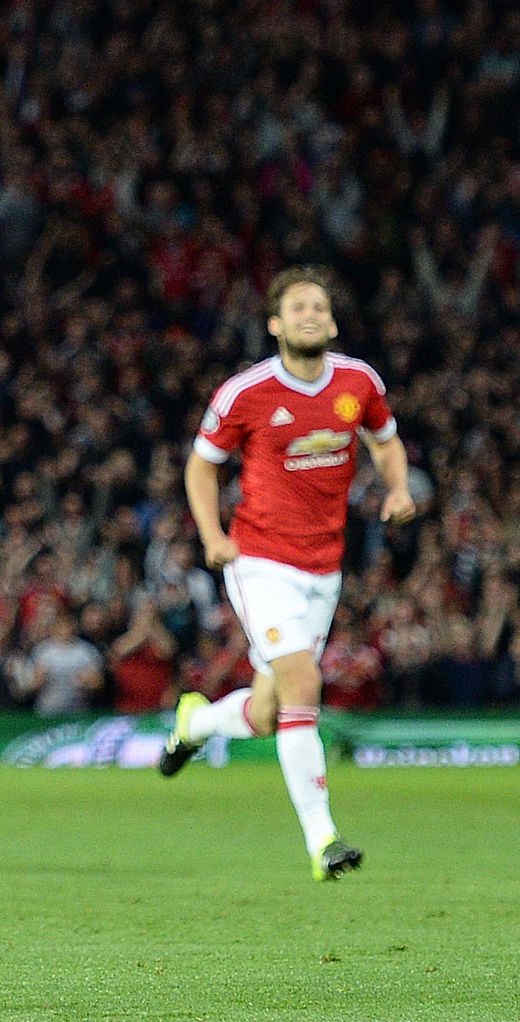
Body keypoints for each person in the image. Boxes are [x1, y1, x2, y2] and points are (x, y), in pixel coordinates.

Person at [160, 265, 415, 881]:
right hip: (259, 561)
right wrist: (214, 536)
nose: (309, 315)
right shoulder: (245, 393)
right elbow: (201, 467)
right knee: (303, 682)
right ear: (275, 324)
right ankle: (323, 840)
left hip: (324, 567)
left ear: (331, 321)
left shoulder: (359, 382)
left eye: (318, 307)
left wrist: (400, 487)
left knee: (273, 711)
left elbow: (385, 441)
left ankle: (198, 722)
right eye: (297, 307)